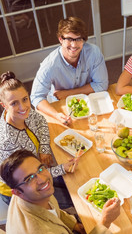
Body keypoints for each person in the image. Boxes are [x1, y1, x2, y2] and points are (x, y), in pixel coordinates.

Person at [0, 71, 79, 209]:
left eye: (25, 99)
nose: (23, 107)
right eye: (14, 103)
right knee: (74, 199)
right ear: (4, 105)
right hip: (23, 187)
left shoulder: (24, 112)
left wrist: (43, 148)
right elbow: (29, 178)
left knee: (76, 181)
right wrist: (61, 168)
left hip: (37, 167)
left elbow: (41, 121)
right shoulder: (8, 141)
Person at [31, 17, 109, 125]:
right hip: (60, 105)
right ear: (60, 39)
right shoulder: (49, 65)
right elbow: (36, 97)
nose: (74, 45)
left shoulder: (93, 52)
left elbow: (101, 84)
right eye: (69, 39)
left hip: (87, 101)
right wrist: (56, 115)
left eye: (78, 39)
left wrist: (68, 94)